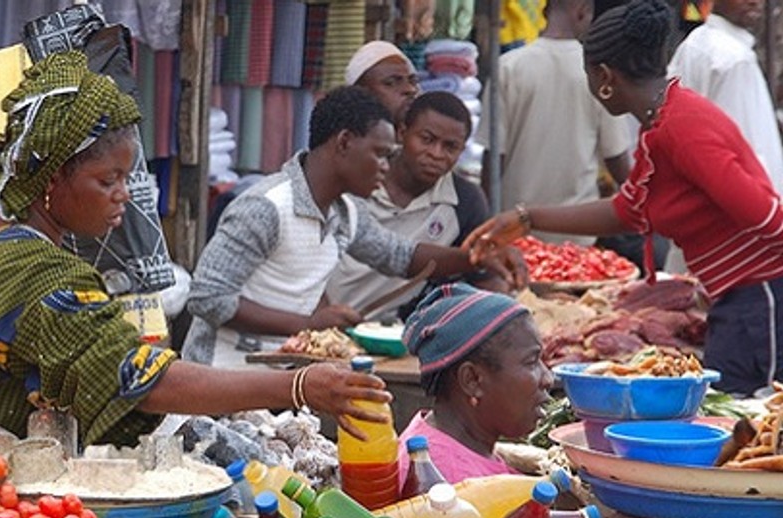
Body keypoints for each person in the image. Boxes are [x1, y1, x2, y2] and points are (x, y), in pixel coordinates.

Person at [0, 52, 394, 459]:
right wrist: (298, 386)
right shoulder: (38, 278)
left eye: (127, 178)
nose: (123, 195)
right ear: (53, 177)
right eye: (107, 180)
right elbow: (144, 380)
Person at [465, 0, 783, 396]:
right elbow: (630, 209)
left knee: (742, 421)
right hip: (738, 300)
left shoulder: (681, 128)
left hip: (759, 304)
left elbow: (766, 215)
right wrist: (526, 218)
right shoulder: (663, 124)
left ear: (604, 77)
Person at [182, 86, 523, 368]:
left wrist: (477, 256)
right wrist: (308, 325)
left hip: (278, 382)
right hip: (219, 378)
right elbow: (208, 297)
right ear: (344, 143)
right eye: (380, 154)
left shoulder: (345, 211)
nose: (386, 167)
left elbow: (400, 256)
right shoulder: (266, 207)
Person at [396, 283, 568, 518]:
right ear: (473, 379)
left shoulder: (455, 445)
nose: (548, 378)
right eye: (532, 361)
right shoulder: (445, 486)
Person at [327, 91, 496, 321]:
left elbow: (483, 278)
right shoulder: (360, 176)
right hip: (318, 321)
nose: (436, 154)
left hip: (392, 333)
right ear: (402, 133)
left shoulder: (465, 201)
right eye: (426, 139)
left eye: (450, 147)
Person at [478, 0, 631, 246]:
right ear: (582, 11)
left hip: (515, 231)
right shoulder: (599, 73)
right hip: (577, 234)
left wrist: (485, 223)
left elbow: (493, 160)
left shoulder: (508, 67)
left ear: (545, 10)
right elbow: (617, 159)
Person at [669, 0, 783, 188]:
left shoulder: (695, 44)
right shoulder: (732, 58)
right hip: (747, 202)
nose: (755, 2)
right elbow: (748, 151)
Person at [345, 41, 420, 123]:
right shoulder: (346, 135)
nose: (410, 89)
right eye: (391, 83)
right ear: (362, 93)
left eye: (413, 81)